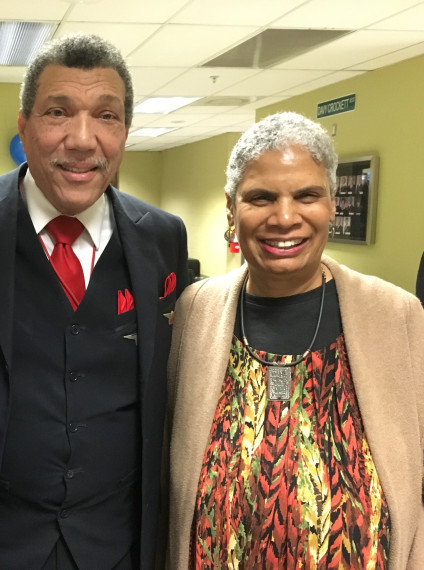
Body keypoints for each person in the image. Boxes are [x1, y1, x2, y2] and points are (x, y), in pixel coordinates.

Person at [0, 33, 188, 569]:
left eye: (106, 116)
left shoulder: (163, 237)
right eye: (58, 112)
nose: (82, 139)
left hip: (117, 547)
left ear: (126, 132)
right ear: (23, 126)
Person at [165, 112, 424, 569]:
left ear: (333, 205)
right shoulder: (195, 312)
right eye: (261, 197)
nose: (285, 218)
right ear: (231, 209)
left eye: (306, 196)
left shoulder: (397, 317)